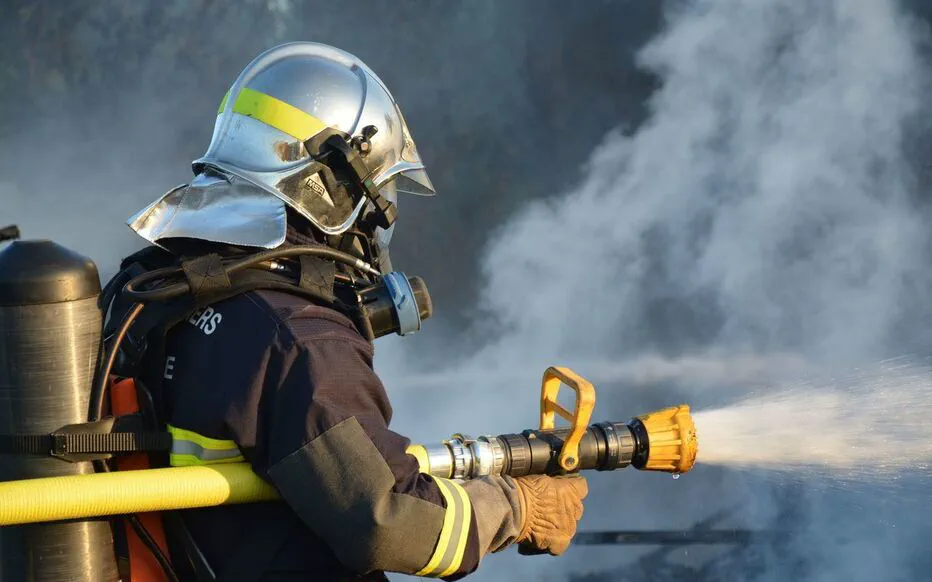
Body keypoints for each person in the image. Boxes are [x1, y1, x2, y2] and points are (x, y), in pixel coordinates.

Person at [108, 42, 588, 581]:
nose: (374, 226)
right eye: (375, 196)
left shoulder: (152, 286)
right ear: (332, 183)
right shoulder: (297, 342)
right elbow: (386, 519)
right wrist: (518, 508)